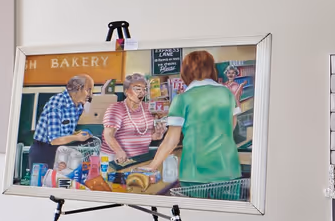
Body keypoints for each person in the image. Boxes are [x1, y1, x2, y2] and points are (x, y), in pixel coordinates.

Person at [149, 50, 245, 201]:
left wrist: (152, 166)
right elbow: (231, 125)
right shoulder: (227, 93)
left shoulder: (182, 99)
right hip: (227, 169)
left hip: (195, 171)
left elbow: (171, 141)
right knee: (227, 219)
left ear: (186, 72)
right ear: (211, 69)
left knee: (195, 217)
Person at [25, 74, 95, 180]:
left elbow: (65, 130)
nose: (90, 95)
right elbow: (54, 139)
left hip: (60, 150)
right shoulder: (56, 104)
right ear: (78, 89)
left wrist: (77, 133)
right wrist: (77, 137)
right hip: (43, 152)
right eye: (88, 90)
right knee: (41, 187)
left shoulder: (78, 106)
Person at [101, 72, 159, 164]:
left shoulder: (148, 108)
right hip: (114, 160)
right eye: (137, 89)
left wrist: (157, 135)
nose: (142, 92)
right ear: (126, 91)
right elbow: (108, 134)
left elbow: (148, 135)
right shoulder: (116, 108)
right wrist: (119, 151)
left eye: (144, 89)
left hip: (140, 159)